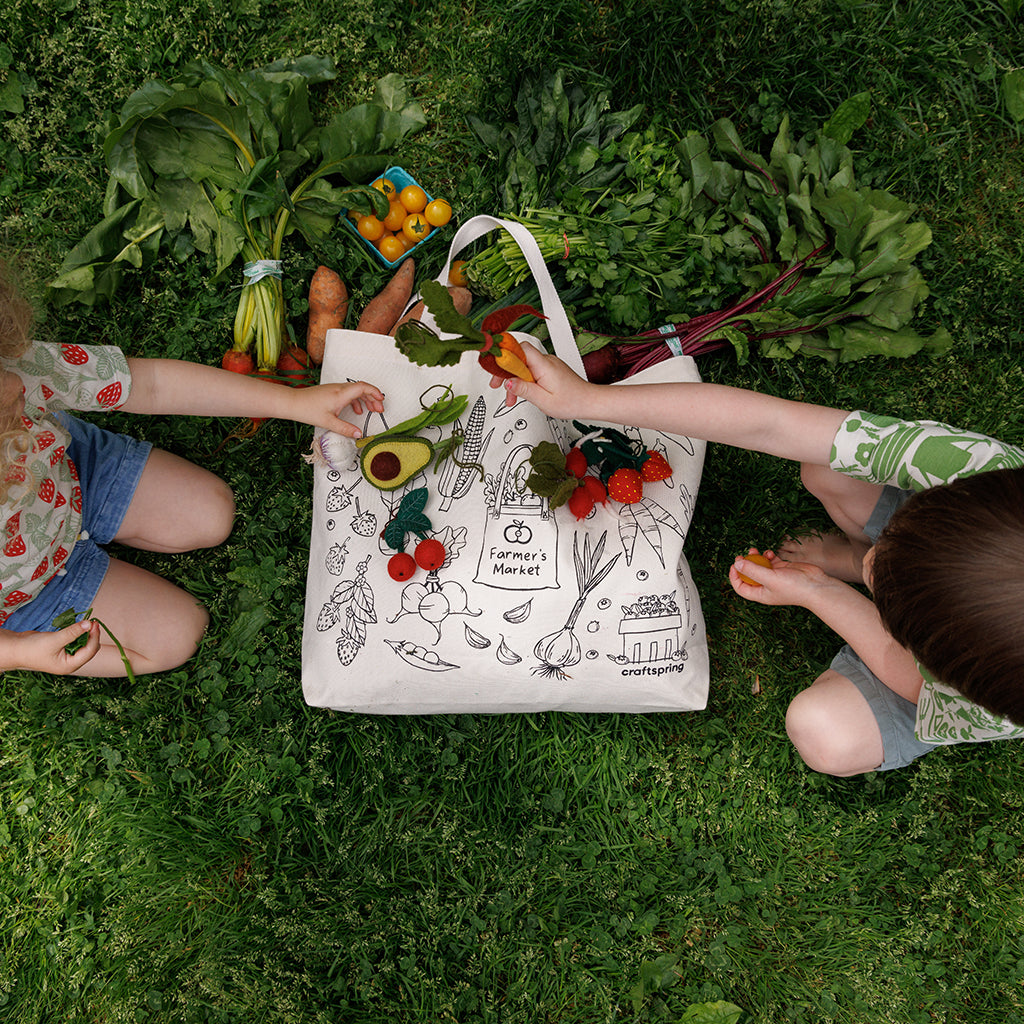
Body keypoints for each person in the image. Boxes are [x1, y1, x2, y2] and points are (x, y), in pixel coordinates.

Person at [494, 341, 1024, 776]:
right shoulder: (982, 468)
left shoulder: (993, 697)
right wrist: (587, 400)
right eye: (886, 549)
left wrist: (821, 592)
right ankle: (866, 554)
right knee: (825, 466)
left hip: (941, 672)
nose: (872, 567)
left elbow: (908, 675)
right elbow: (774, 424)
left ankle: (859, 573)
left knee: (826, 732)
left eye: (882, 584)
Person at [0, 263, 383, 677]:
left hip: (72, 474)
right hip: (31, 590)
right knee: (181, 635)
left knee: (211, 513)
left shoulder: (17, 369)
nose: (20, 392)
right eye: (6, 411)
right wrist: (18, 652)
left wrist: (293, 403)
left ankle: (92, 524)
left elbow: (152, 384)